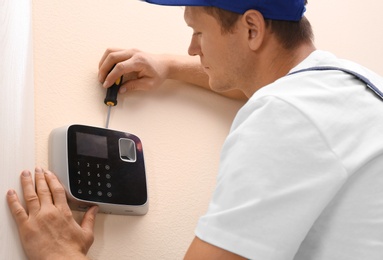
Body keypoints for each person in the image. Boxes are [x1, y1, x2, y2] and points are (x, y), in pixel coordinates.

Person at [7, 0, 383, 259]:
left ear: (251, 28)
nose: (191, 49)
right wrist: (168, 67)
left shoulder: (285, 113)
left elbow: (283, 108)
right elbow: (266, 86)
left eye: (198, 32)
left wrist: (61, 252)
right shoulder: (354, 85)